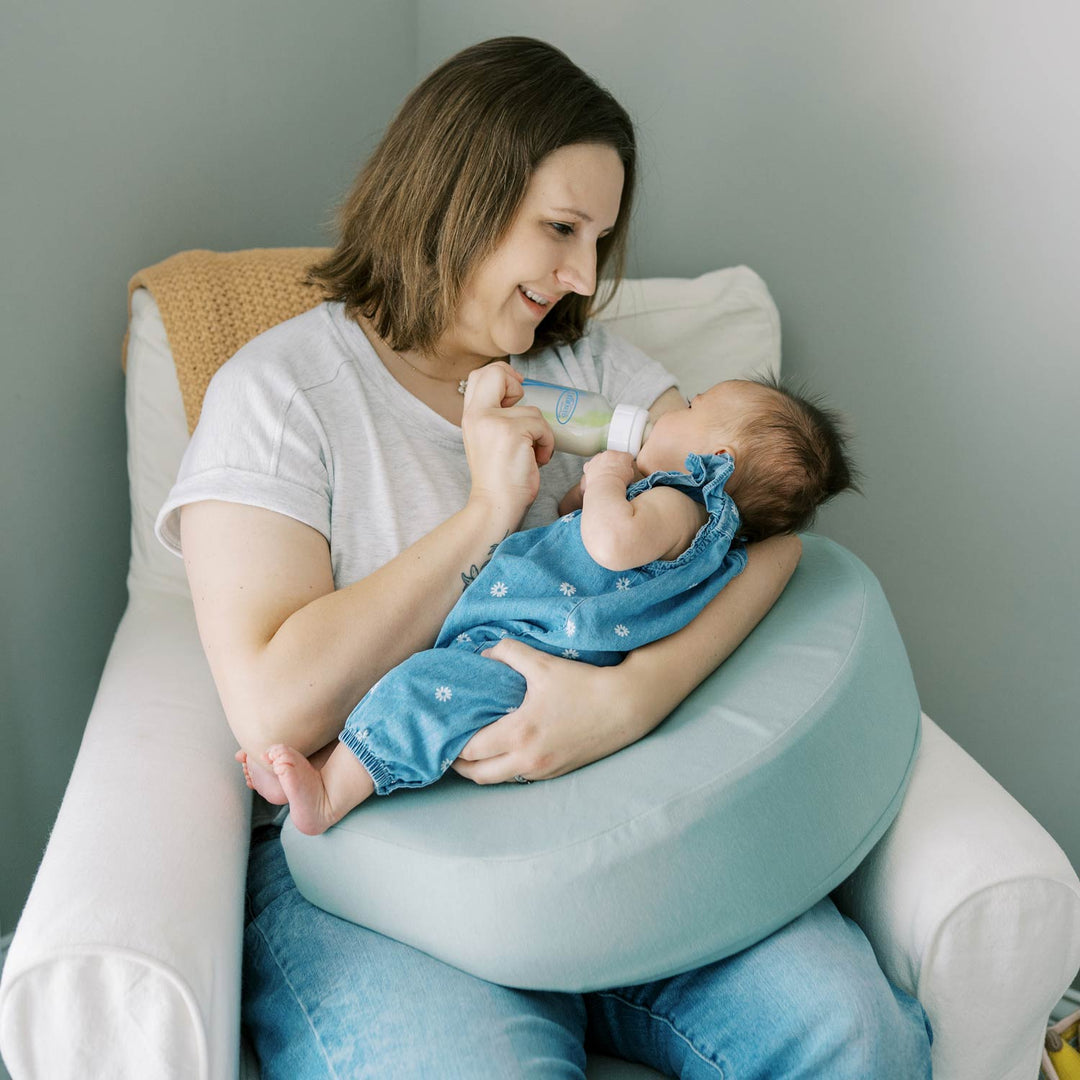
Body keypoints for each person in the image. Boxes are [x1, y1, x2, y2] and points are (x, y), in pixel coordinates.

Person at [160, 35, 933, 1080]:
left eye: (598, 237)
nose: (581, 275)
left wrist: (628, 702)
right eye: (558, 228)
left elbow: (766, 543)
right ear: (452, 197)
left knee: (856, 1031)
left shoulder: (598, 370)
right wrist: (486, 514)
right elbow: (275, 710)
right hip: (383, 867)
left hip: (612, 825)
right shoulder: (284, 395)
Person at [253, 374, 857, 836]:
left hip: (531, 651)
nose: (675, 409)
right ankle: (329, 764)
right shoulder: (691, 527)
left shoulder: (684, 503)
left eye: (693, 409)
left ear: (717, 462)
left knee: (420, 692)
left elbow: (611, 540)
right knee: (419, 696)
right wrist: (595, 489)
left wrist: (605, 479)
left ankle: (329, 796)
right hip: (537, 644)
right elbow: (583, 525)